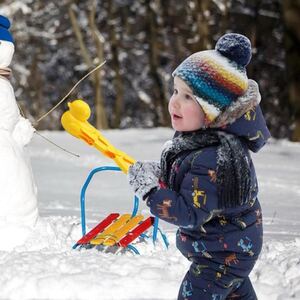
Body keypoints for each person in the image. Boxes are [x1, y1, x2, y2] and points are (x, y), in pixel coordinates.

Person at [128, 33, 271, 299]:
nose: (175, 102)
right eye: (175, 92)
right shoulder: (200, 140)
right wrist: (161, 174)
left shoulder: (215, 155)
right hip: (227, 248)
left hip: (222, 255)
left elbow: (189, 212)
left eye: (188, 97)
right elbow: (191, 180)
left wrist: (150, 192)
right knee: (234, 290)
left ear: (213, 111)